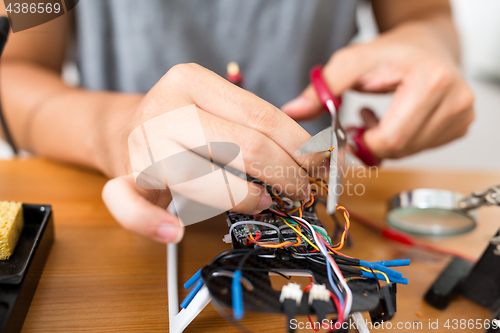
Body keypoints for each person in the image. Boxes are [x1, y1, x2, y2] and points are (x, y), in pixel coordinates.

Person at [0, 0, 474, 243]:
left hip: (306, 211)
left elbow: (423, 13)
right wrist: (118, 129)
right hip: (116, 231)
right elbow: (15, 66)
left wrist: (428, 46)